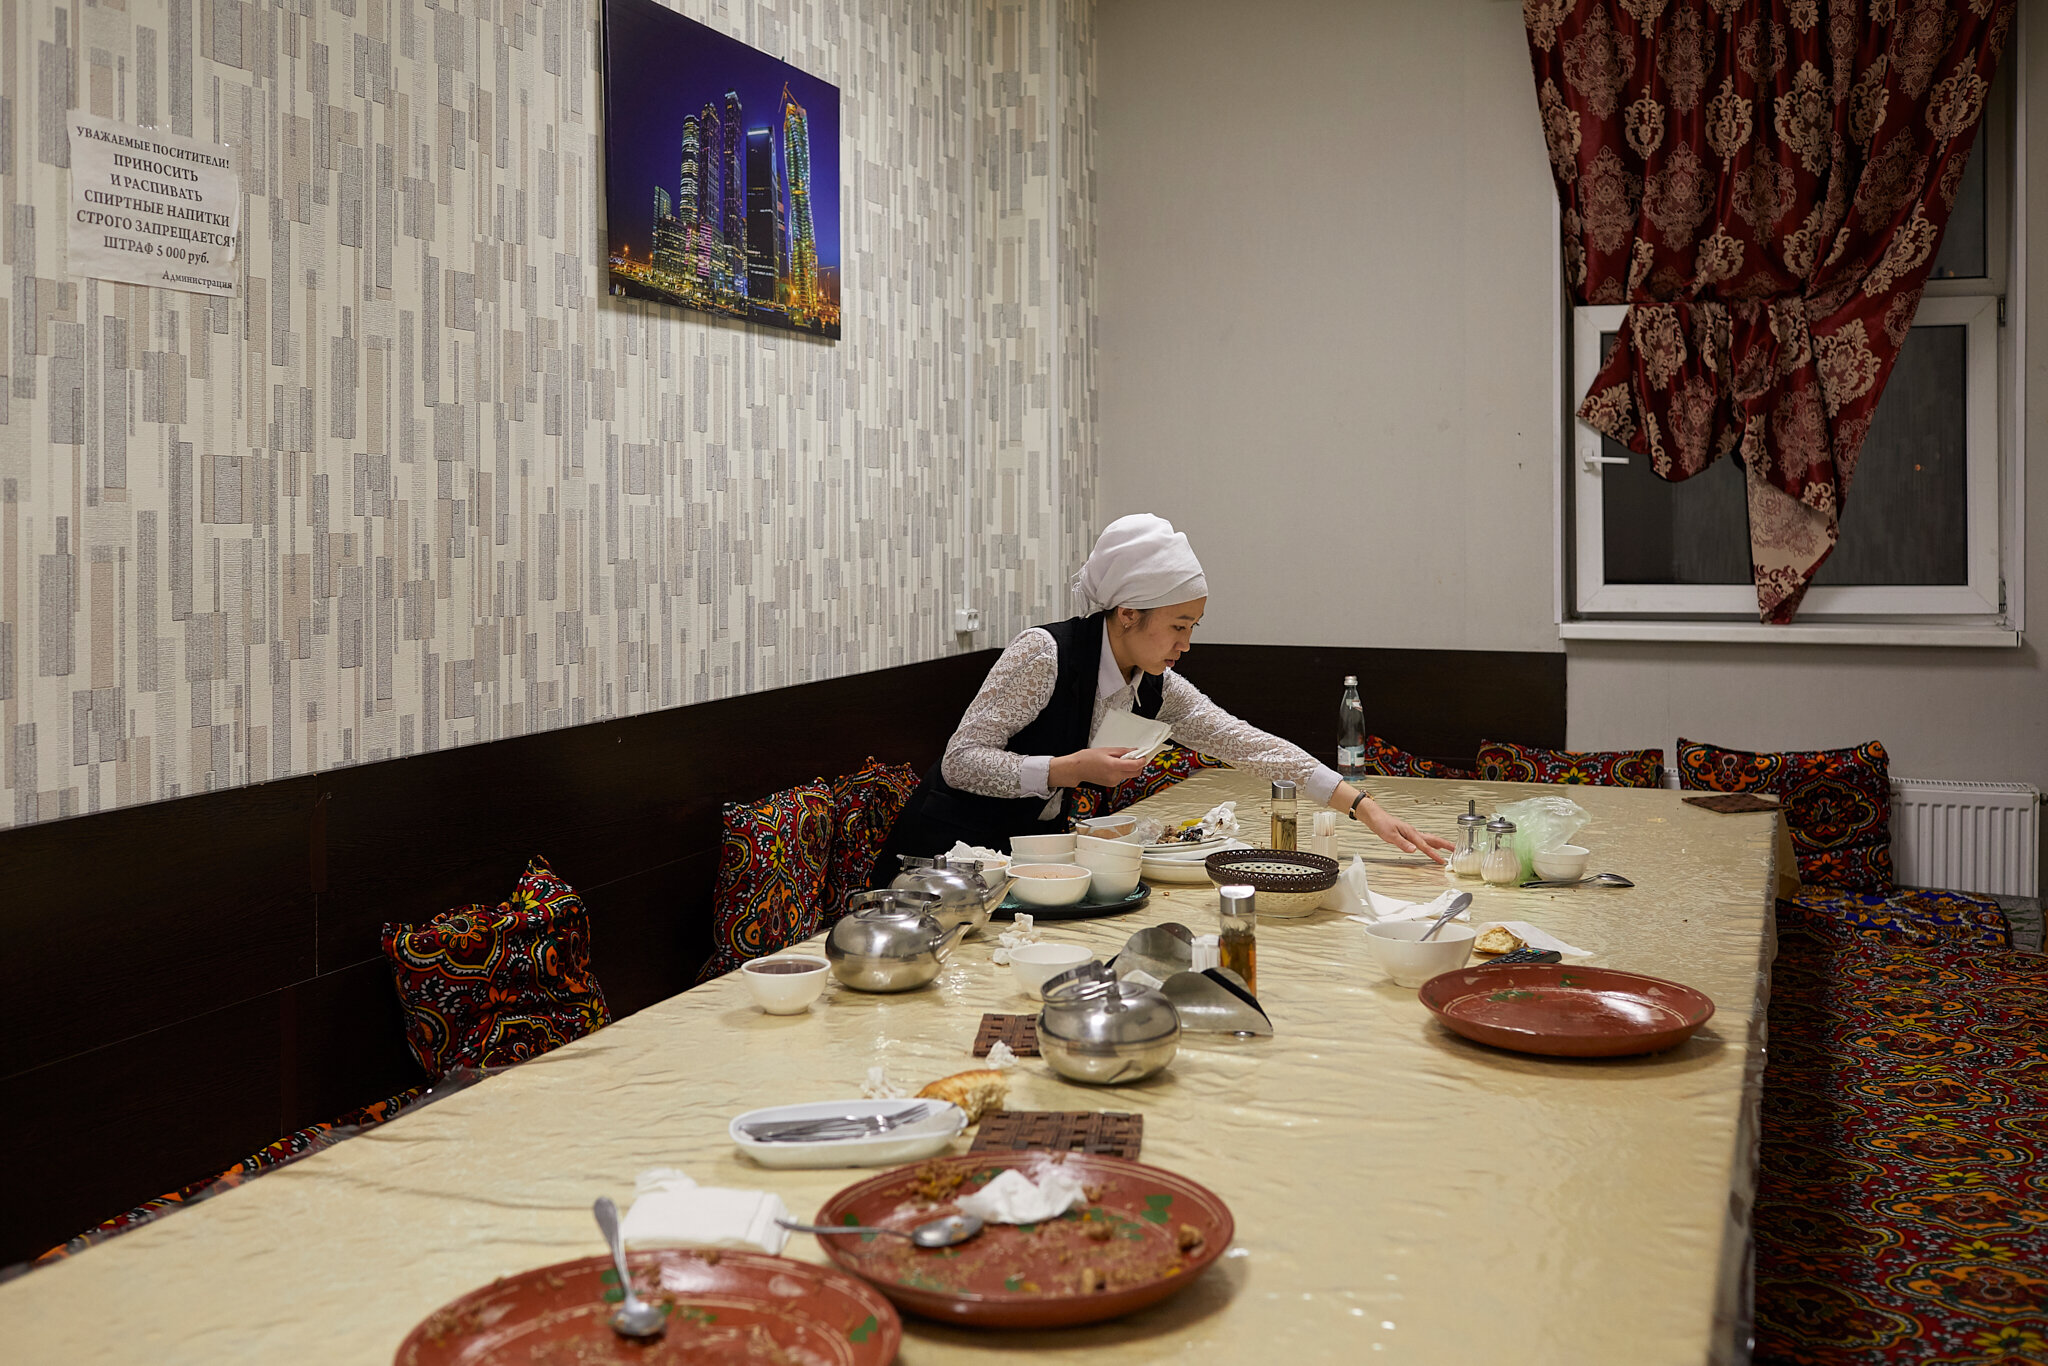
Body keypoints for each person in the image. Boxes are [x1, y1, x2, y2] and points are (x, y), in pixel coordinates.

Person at [875, 514, 1454, 874]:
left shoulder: (1155, 686)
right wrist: (1067, 768)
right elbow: (961, 763)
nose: (1186, 643)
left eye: (1192, 627)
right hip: (942, 864)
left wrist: (1363, 807)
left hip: (1030, 863)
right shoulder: (1043, 654)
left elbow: (1247, 744)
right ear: (1128, 614)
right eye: (1178, 625)